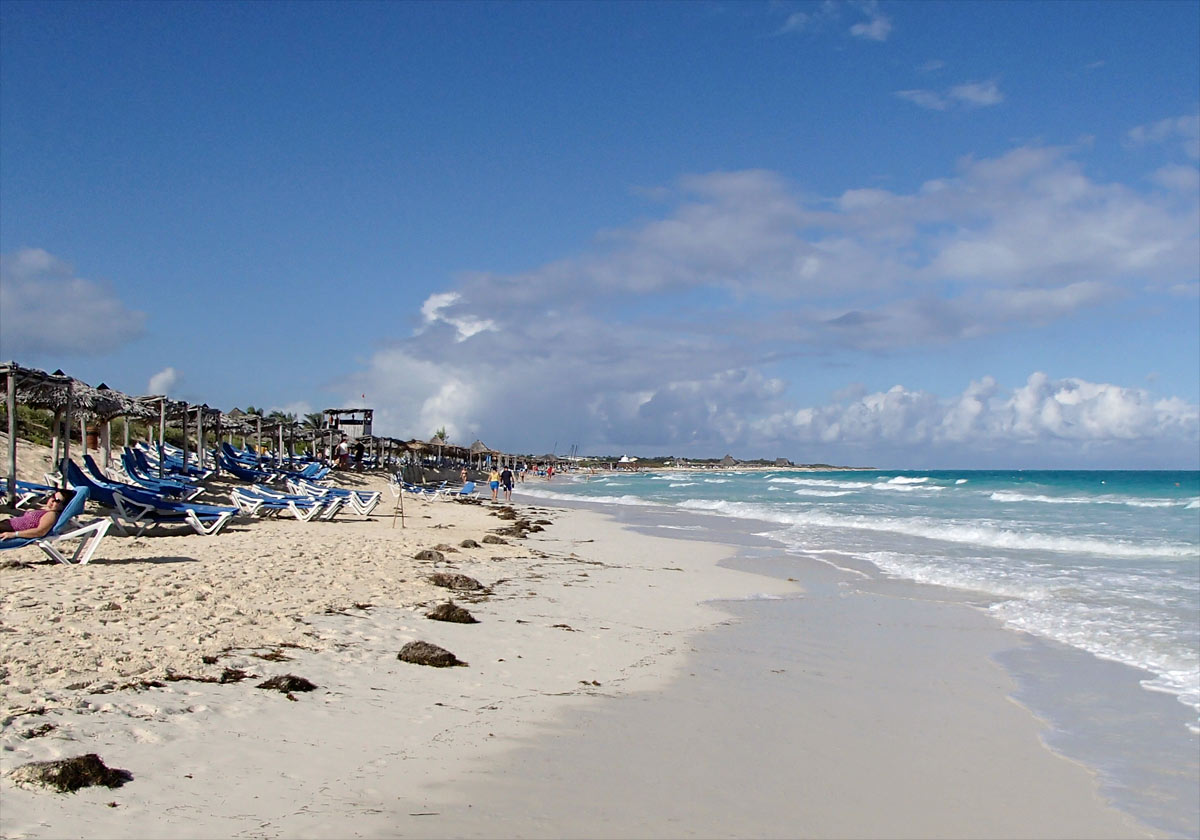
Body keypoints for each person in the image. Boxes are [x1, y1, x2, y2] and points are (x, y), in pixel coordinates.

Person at [0, 489, 74, 541]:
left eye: (57, 501)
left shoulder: (51, 514)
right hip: (6, 525)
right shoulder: (45, 510)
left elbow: (40, 532)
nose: (52, 501)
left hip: (9, 529)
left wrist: (14, 534)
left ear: (63, 506)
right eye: (53, 497)